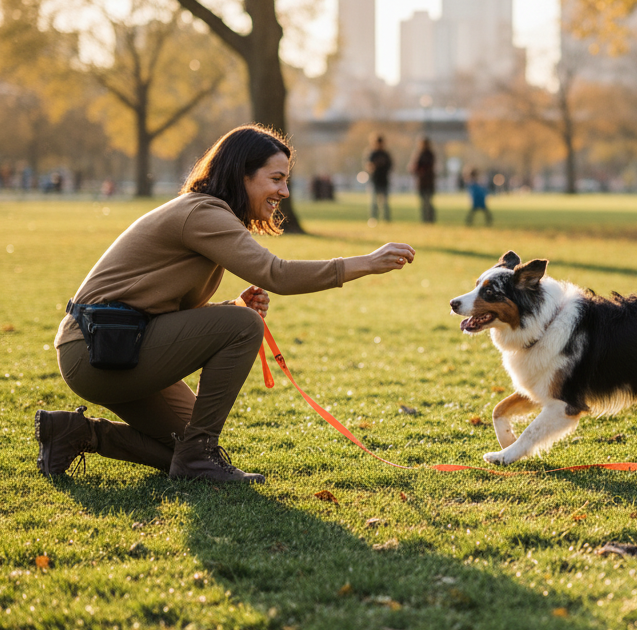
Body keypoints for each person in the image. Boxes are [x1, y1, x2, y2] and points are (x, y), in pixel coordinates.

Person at [37, 124, 415, 484]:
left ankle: (78, 433)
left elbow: (159, 309)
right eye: (276, 178)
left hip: (113, 347)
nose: (284, 191)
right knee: (243, 328)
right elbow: (276, 274)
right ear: (241, 176)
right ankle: (199, 457)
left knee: (184, 445)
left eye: (286, 179)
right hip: (94, 351)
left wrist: (231, 304)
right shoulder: (203, 213)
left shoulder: (208, 214)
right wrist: (365, 263)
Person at [365, 133, 393, 222]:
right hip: (375, 180)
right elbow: (369, 166)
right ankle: (373, 218)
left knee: (385, 202)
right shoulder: (372, 153)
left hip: (384, 180)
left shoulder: (386, 154)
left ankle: (386, 219)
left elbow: (390, 166)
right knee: (374, 202)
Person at [410, 136, 437, 223]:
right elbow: (414, 168)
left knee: (428, 202)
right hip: (421, 183)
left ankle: (430, 219)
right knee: (423, 203)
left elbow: (428, 167)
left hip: (428, 182)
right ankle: (425, 220)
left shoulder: (430, 155)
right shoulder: (418, 154)